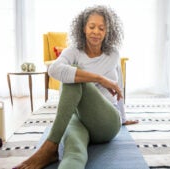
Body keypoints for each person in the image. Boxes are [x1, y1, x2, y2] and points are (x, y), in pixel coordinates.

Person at [13, 5, 138, 169]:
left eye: (101, 28)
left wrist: (123, 117)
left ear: (108, 32)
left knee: (74, 79)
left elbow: (118, 87)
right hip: (78, 118)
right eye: (92, 26)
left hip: (106, 122)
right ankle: (53, 153)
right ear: (83, 28)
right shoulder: (74, 51)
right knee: (74, 152)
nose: (96, 32)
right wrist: (100, 79)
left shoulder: (113, 54)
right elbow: (54, 69)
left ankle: (50, 145)